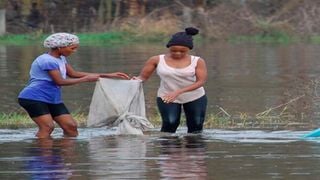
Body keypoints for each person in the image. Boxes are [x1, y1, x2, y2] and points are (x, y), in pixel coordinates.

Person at [18, 32, 129, 138]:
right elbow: (60, 81)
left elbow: (73, 74)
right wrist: (85, 79)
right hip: (34, 97)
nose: (74, 51)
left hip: (52, 98)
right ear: (60, 47)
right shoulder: (47, 61)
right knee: (47, 127)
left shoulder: (61, 58)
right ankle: (42, 155)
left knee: (71, 127)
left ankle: (65, 154)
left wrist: (107, 75)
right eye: (72, 48)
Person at [133, 27, 208, 133]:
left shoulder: (198, 61)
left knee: (196, 125)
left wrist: (178, 92)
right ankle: (168, 147)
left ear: (189, 49)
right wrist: (133, 81)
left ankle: (193, 148)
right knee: (170, 123)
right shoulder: (156, 60)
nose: (177, 53)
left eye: (182, 51)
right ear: (169, 47)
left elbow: (201, 82)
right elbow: (142, 78)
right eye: (174, 50)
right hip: (167, 96)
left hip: (194, 96)